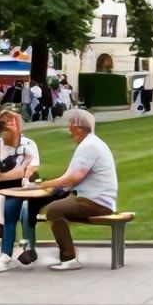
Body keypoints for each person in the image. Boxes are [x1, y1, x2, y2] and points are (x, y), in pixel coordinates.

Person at [36, 110, 119, 270]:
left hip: (95, 202)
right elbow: (70, 179)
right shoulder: (91, 143)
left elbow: (73, 178)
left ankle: (69, 258)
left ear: (79, 127)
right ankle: (63, 252)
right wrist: (51, 185)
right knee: (54, 204)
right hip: (94, 198)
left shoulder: (89, 146)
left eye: (71, 123)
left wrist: (43, 185)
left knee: (54, 211)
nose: (69, 127)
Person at [0, 108, 42, 272]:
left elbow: (29, 172)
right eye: (5, 125)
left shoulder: (29, 145)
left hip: (23, 191)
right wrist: (17, 172)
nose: (8, 129)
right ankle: (6, 254)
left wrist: (6, 175)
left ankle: (19, 250)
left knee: (19, 208)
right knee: (6, 207)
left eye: (12, 124)